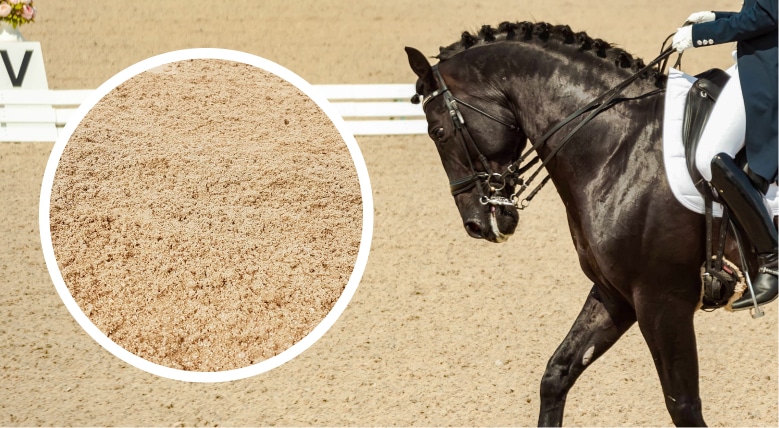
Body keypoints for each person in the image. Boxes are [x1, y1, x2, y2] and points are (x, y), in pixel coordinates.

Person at [672, 0, 777, 310]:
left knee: (709, 157)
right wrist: (719, 17)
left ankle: (772, 259)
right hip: (758, 55)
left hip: (767, 68)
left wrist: (703, 34)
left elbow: (766, 15)